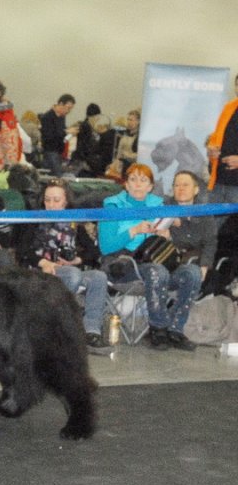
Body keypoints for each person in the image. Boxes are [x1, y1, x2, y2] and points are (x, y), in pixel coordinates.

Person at [98, 163, 200, 351]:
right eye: (133, 180)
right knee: (157, 271)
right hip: (121, 264)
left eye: (143, 180)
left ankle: (176, 329)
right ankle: (158, 328)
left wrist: (169, 235)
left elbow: (191, 239)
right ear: (126, 185)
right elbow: (105, 247)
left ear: (151, 186)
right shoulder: (112, 205)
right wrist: (134, 231)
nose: (138, 184)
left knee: (192, 272)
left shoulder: (161, 206)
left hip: (155, 258)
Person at [16, 178, 110, 353]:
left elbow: (94, 252)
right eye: (47, 200)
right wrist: (42, 262)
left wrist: (76, 260)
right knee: (73, 275)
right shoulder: (34, 220)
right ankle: (55, 329)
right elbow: (21, 250)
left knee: (99, 277)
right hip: (39, 272)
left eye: (56, 200)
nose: (51, 204)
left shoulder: (74, 223)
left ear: (66, 201)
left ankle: (91, 332)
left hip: (67, 269)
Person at [166, 170, 218, 285]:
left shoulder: (205, 212)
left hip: (196, 259)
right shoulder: (164, 209)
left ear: (196, 190)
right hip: (170, 261)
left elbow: (210, 243)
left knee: (215, 278)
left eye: (185, 185)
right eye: (177, 185)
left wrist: (204, 266)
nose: (181, 188)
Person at [206, 73, 238, 227]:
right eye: (237, 85)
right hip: (219, 179)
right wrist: (211, 150)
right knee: (211, 226)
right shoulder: (229, 108)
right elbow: (216, 136)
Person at [40, 93, 75, 176]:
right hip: (50, 152)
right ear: (61, 104)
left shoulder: (62, 117)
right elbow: (49, 136)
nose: (69, 111)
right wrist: (66, 132)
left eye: (70, 109)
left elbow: (61, 134)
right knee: (57, 177)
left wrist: (69, 133)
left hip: (59, 152)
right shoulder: (47, 117)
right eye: (68, 108)